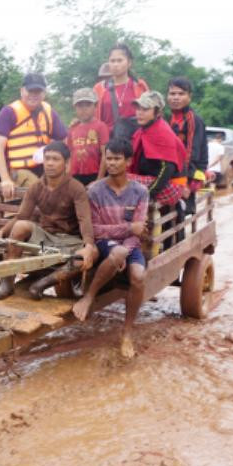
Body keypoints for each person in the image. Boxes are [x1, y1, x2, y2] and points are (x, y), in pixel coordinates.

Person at [0, 141, 96, 300]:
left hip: (68, 243)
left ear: (67, 163)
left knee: (86, 256)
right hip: (44, 243)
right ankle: (7, 282)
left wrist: (89, 245)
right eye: (47, 158)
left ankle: (40, 285)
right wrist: (2, 231)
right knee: (21, 225)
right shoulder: (36, 187)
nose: (50, 163)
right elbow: (21, 216)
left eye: (55, 159)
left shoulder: (76, 188)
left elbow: (84, 220)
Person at [72, 139, 148, 326]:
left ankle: (127, 331)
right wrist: (128, 228)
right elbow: (96, 230)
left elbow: (138, 232)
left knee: (138, 276)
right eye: (108, 158)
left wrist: (125, 247)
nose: (111, 163)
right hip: (103, 244)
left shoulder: (140, 192)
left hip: (130, 245)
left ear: (128, 161)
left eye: (117, 159)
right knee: (118, 251)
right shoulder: (95, 190)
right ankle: (89, 296)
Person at [0, 72, 67, 201]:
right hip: (19, 169)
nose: (34, 95)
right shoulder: (9, 112)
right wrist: (5, 179)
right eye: (30, 91)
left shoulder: (49, 112)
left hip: (43, 169)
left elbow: (63, 141)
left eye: (38, 91)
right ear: (22, 91)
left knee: (66, 192)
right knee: (43, 195)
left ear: (44, 93)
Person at [129, 91, 186, 207]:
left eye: (145, 109)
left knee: (120, 178)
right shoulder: (145, 129)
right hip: (159, 182)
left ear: (157, 112)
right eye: (138, 108)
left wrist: (149, 194)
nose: (139, 113)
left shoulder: (161, 132)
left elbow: (168, 168)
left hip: (171, 186)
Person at [166, 77, 208, 215]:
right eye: (172, 94)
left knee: (179, 216)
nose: (176, 98)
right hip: (170, 174)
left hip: (186, 175)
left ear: (189, 97)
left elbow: (191, 153)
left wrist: (186, 183)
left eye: (181, 94)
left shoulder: (193, 120)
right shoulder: (167, 119)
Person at [93, 42, 149, 134]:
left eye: (119, 60)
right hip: (108, 142)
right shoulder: (99, 88)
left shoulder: (139, 86)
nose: (115, 64)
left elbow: (151, 114)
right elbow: (92, 117)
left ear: (129, 62)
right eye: (112, 61)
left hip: (135, 140)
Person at [65, 87, 110, 186]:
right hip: (75, 175)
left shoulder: (101, 126)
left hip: (95, 174)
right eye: (80, 106)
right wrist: (68, 177)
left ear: (95, 106)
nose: (84, 109)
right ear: (75, 108)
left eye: (88, 105)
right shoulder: (72, 128)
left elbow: (105, 155)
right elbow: (69, 155)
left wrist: (99, 180)